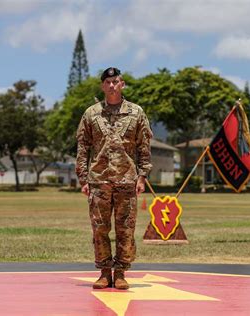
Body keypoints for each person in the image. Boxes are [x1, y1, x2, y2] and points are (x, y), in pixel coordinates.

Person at [75, 67, 152, 290]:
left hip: (127, 180)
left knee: (125, 229)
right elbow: (83, 147)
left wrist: (142, 175)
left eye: (115, 82)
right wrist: (83, 178)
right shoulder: (91, 113)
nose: (111, 85)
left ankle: (120, 273)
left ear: (122, 84)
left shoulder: (136, 112)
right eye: (107, 82)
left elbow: (144, 147)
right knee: (99, 228)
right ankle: (104, 272)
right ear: (102, 86)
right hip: (98, 180)